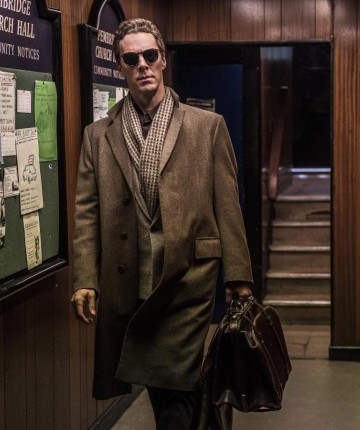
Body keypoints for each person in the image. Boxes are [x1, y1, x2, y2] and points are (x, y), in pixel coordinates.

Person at [70, 18, 253, 429]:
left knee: (174, 382)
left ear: (163, 59)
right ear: (120, 67)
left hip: (188, 279)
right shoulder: (98, 135)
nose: (142, 65)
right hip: (130, 278)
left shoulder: (207, 127)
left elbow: (228, 205)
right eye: (131, 59)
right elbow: (86, 210)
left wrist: (239, 273)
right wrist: (85, 277)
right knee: (167, 384)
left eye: (150, 55)